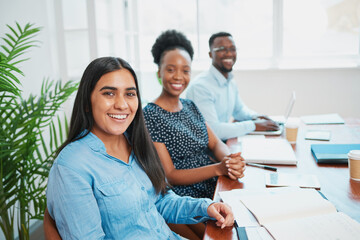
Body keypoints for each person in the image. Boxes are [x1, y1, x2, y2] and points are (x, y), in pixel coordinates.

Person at [45, 57, 235, 240]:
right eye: (109, 93)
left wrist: (206, 207)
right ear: (87, 102)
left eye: (130, 94)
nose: (122, 105)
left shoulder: (136, 143)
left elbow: (160, 202)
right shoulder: (72, 167)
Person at [143, 30, 245, 199]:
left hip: (215, 184)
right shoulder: (150, 115)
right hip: (187, 196)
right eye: (170, 69)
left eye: (185, 70)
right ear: (158, 73)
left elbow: (216, 144)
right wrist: (219, 168)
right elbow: (171, 175)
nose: (178, 77)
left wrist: (230, 160)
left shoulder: (190, 106)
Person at [186, 32, 279, 141]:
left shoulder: (229, 81)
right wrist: (253, 125)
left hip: (222, 144)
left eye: (232, 49)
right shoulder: (201, 87)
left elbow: (239, 110)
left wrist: (257, 117)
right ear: (210, 54)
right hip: (206, 152)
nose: (229, 53)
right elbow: (213, 131)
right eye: (222, 49)